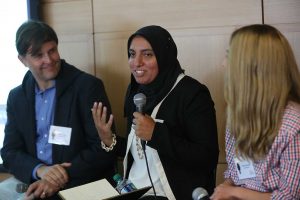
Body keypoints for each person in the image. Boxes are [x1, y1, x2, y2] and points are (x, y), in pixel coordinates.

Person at [92, 25, 219, 200]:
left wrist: (157, 134)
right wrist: (109, 140)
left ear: (164, 56)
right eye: (132, 54)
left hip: (171, 194)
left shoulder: (192, 93)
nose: (136, 62)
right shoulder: (136, 93)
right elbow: (141, 153)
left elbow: (207, 158)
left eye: (147, 54)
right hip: (133, 191)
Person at [0, 20, 116, 200]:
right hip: (35, 180)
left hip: (79, 182)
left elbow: (103, 148)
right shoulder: (17, 97)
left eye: (52, 50)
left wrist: (56, 178)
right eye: (39, 55)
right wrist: (41, 171)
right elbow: (9, 152)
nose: (49, 60)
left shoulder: (87, 87)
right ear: (22, 60)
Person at [211, 24, 300, 200]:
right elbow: (236, 173)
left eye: (229, 57)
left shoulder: (293, 124)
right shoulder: (235, 115)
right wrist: (226, 187)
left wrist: (234, 192)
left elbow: (288, 196)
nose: (223, 64)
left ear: (252, 68)